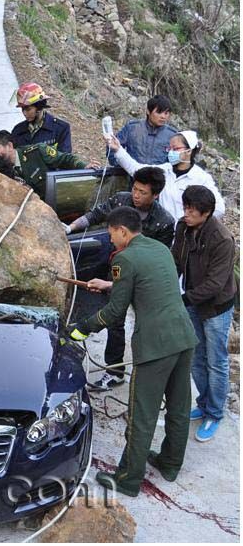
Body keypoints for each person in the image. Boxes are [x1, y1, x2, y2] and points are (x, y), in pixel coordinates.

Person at [69, 206, 197, 497]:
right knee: (178, 407)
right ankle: (170, 464)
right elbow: (147, 282)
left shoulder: (124, 259)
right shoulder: (159, 248)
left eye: (111, 234)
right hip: (183, 336)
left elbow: (115, 313)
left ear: (123, 231)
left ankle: (127, 480)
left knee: (142, 414)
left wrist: (81, 328)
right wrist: (109, 285)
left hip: (155, 346)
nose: (111, 240)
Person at [65, 167, 175, 391]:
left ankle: (139, 373)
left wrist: (113, 285)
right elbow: (95, 214)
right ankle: (114, 370)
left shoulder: (164, 222)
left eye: (142, 192)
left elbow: (153, 267)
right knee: (114, 320)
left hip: (139, 279)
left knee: (124, 319)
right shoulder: (120, 201)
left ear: (155, 195)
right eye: (134, 189)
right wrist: (69, 228)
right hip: (113, 265)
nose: (136, 195)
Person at [171, 185, 236, 442]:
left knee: (216, 362)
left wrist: (183, 298)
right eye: (185, 207)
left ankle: (215, 413)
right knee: (196, 357)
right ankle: (204, 403)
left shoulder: (222, 240)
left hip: (216, 307)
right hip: (193, 302)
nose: (186, 213)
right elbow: (176, 261)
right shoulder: (183, 227)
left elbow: (215, 285)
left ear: (207, 213)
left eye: (192, 210)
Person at [107, 130, 225, 222]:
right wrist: (118, 150)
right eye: (170, 148)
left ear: (189, 151)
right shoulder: (165, 170)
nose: (171, 152)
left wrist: (195, 221)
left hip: (186, 236)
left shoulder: (201, 178)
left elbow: (219, 208)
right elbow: (136, 169)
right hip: (164, 231)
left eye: (176, 149)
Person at [0, 130, 99, 199]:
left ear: (10, 146)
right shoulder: (0, 170)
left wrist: (84, 166)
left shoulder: (37, 152)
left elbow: (65, 159)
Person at [108, 95, 177, 166]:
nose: (163, 116)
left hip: (159, 175)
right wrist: (121, 166)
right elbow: (112, 146)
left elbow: (179, 159)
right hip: (131, 173)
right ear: (148, 111)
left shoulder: (172, 135)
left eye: (166, 113)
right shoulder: (132, 128)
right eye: (159, 112)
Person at [11, 82, 72, 152]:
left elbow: (66, 158)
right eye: (22, 109)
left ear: (39, 107)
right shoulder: (17, 131)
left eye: (28, 109)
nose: (24, 113)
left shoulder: (60, 128)